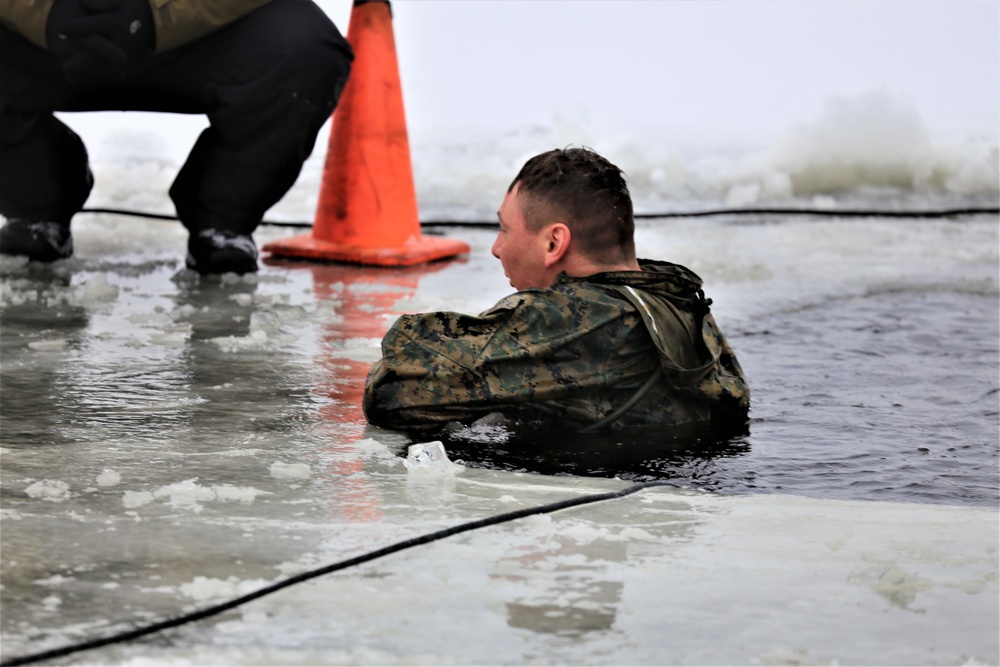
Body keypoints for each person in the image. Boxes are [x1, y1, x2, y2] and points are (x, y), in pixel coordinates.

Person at [363, 147, 750, 434]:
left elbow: (392, 394)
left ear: (554, 243)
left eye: (505, 230)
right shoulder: (677, 300)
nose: (496, 249)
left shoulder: (559, 317)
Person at [0, 0, 353, 274]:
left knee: (304, 51)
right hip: (47, 35)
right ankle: (35, 199)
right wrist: (42, 12)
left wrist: (159, 15)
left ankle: (222, 219)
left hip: (196, 31)